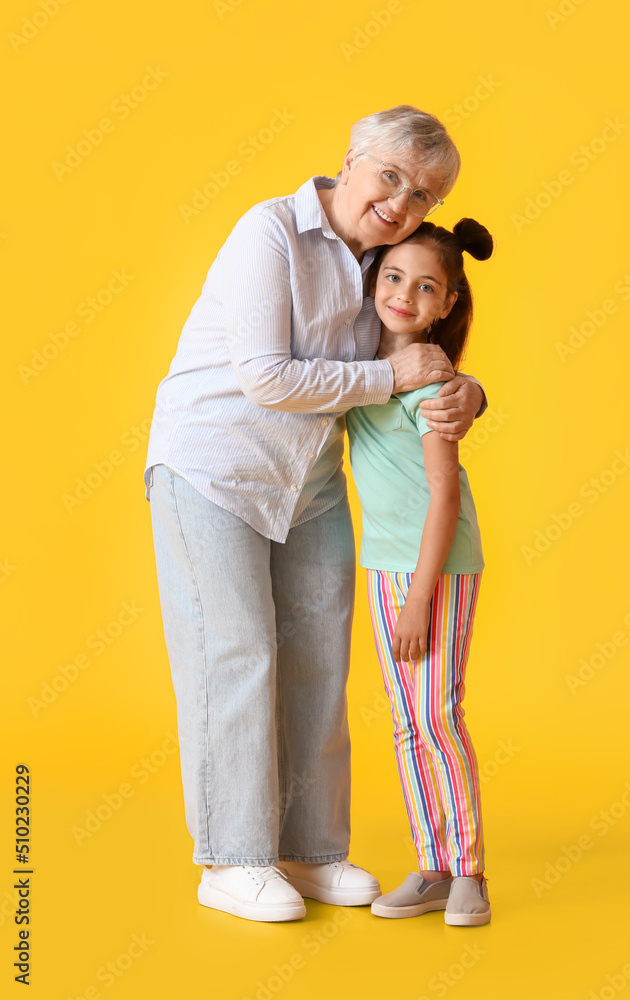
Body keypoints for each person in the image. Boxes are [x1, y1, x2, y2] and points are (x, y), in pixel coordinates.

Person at [144, 105, 488, 922]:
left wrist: (469, 392)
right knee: (235, 657)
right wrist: (395, 382)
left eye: (423, 193)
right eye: (391, 175)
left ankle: (307, 851)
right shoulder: (269, 234)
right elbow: (268, 376)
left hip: (309, 481)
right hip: (215, 468)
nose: (402, 200)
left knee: (316, 664)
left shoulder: (386, 264)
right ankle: (232, 859)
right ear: (351, 159)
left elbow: (418, 354)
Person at [346, 218, 493, 925]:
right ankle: (430, 865)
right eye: (392, 277)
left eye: (424, 286)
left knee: (438, 715)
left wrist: (418, 600)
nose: (403, 294)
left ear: (445, 304)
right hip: (382, 566)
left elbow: (445, 494)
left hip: (434, 570)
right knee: (408, 723)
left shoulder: (435, 387)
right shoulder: (361, 367)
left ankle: (468, 871)